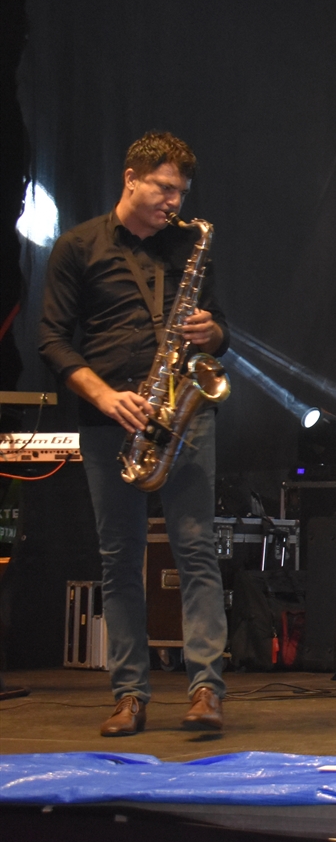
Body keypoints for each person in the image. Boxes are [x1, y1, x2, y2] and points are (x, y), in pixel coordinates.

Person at [38, 131, 229, 736]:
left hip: (184, 415)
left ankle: (206, 689)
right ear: (130, 178)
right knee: (119, 559)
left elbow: (222, 330)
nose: (175, 202)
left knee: (196, 550)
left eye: (181, 193)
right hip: (111, 421)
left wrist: (212, 333)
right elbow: (51, 341)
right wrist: (102, 394)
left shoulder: (189, 245)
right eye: (164, 188)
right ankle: (129, 694)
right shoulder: (78, 247)